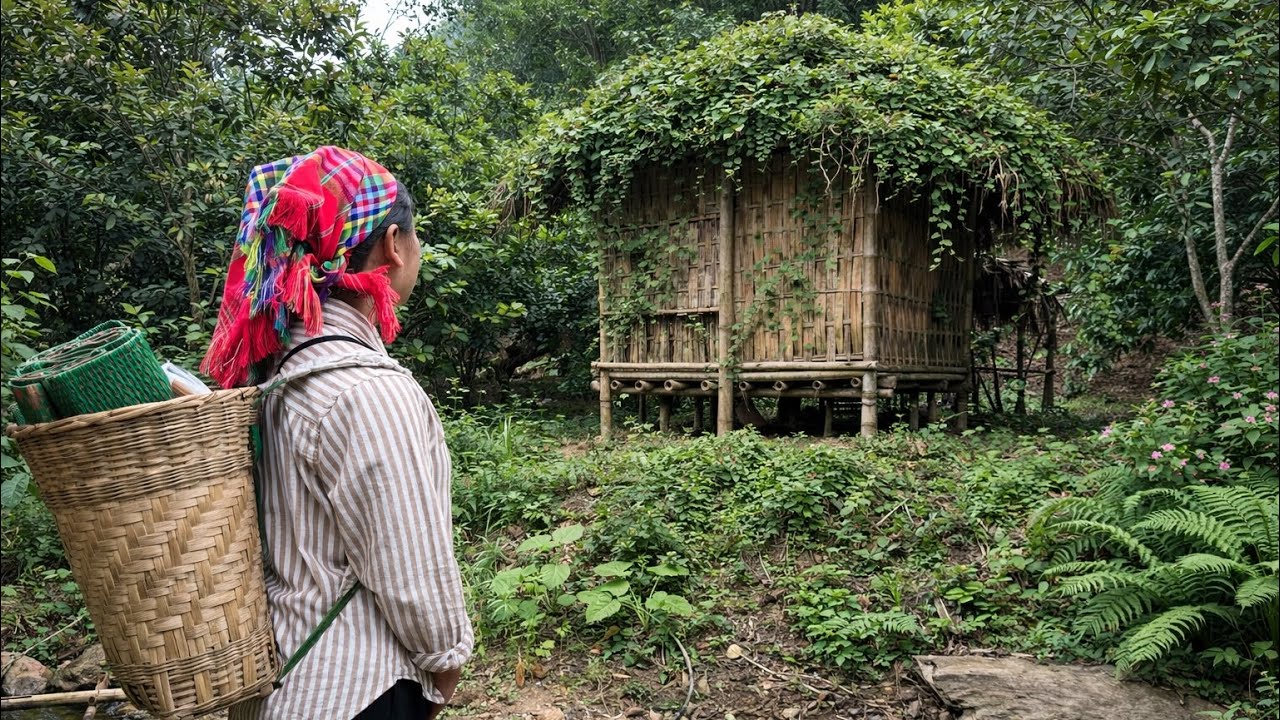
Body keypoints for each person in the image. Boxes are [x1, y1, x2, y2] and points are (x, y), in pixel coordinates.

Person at [203, 146, 473, 720]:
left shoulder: (266, 375)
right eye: (415, 236)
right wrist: (445, 667)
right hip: (356, 691)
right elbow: (411, 572)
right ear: (394, 244)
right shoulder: (367, 391)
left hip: (271, 684)